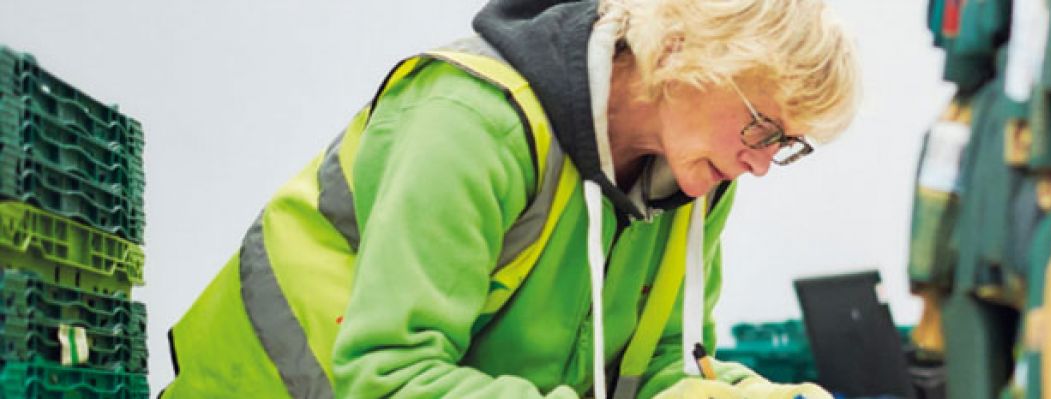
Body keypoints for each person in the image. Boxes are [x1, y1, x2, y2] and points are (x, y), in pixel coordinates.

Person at [161, 0, 859, 397]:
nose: (762, 164)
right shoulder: (472, 121)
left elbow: (659, 376)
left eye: (786, 144)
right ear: (679, 51)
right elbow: (388, 379)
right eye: (761, 125)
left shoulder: (697, 179)